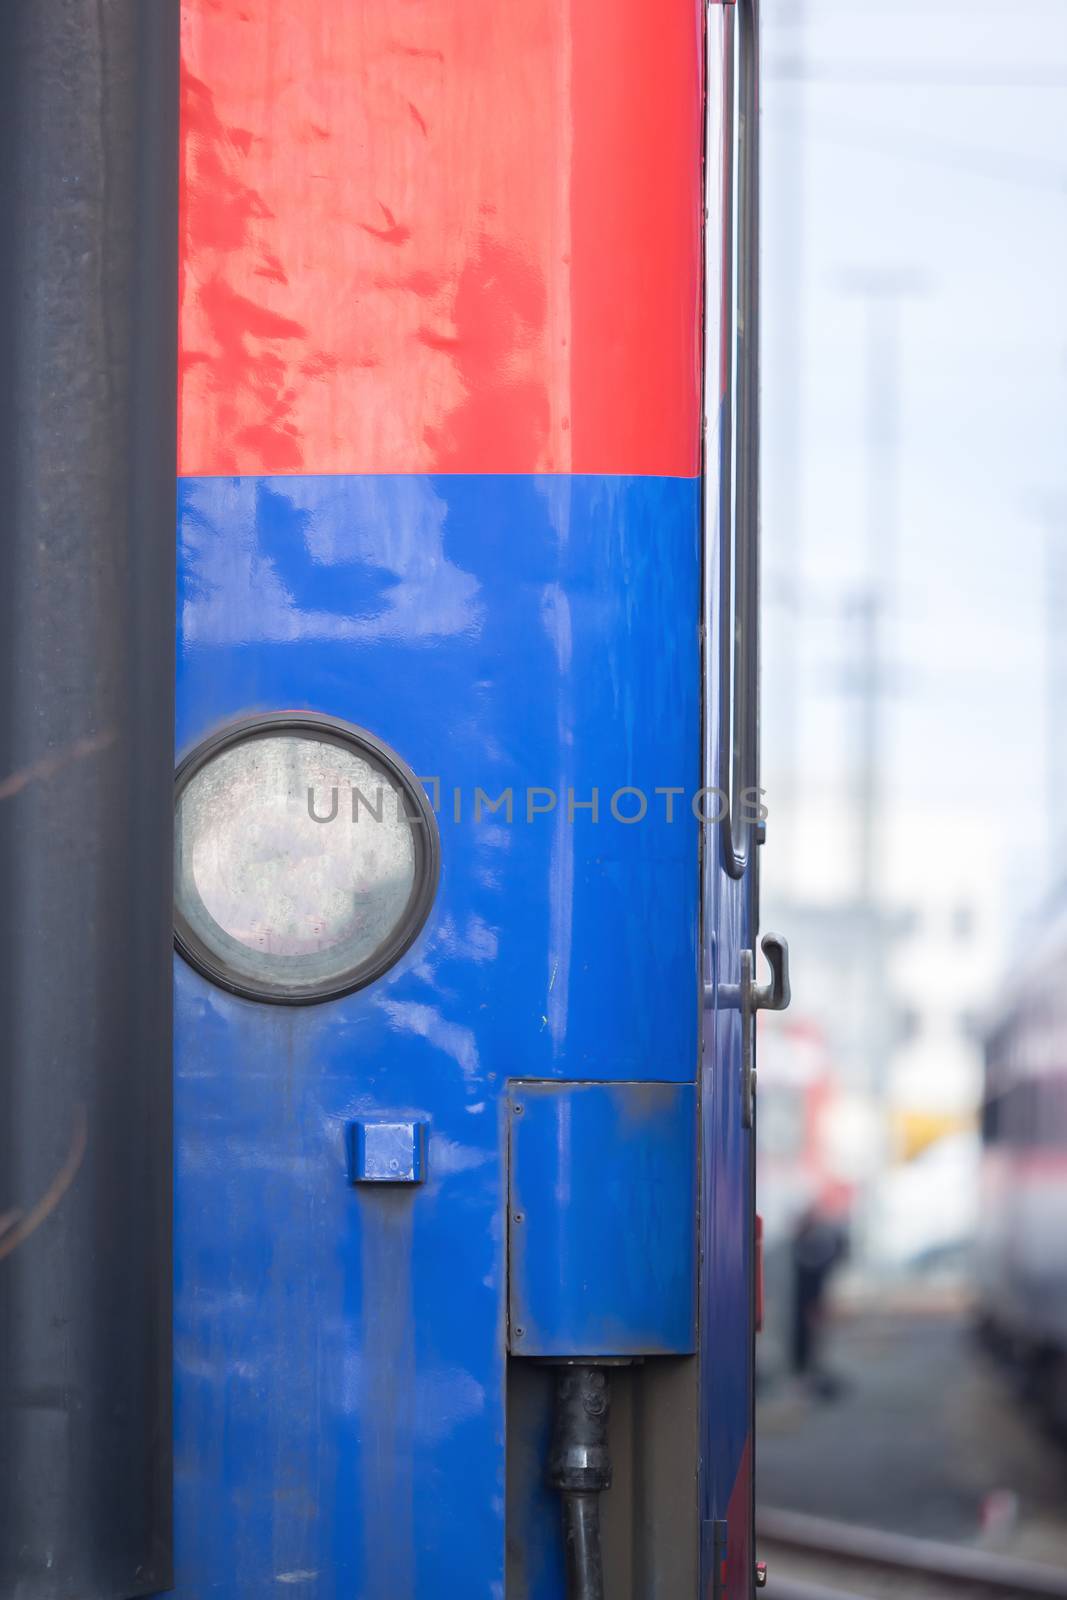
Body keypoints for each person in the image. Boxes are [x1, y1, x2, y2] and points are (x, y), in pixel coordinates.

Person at [789, 1200, 848, 1398]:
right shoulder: (806, 1243)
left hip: (810, 1300)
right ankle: (806, 1374)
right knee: (806, 1337)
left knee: (813, 1336)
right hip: (804, 1302)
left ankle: (810, 1373)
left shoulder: (811, 1242)